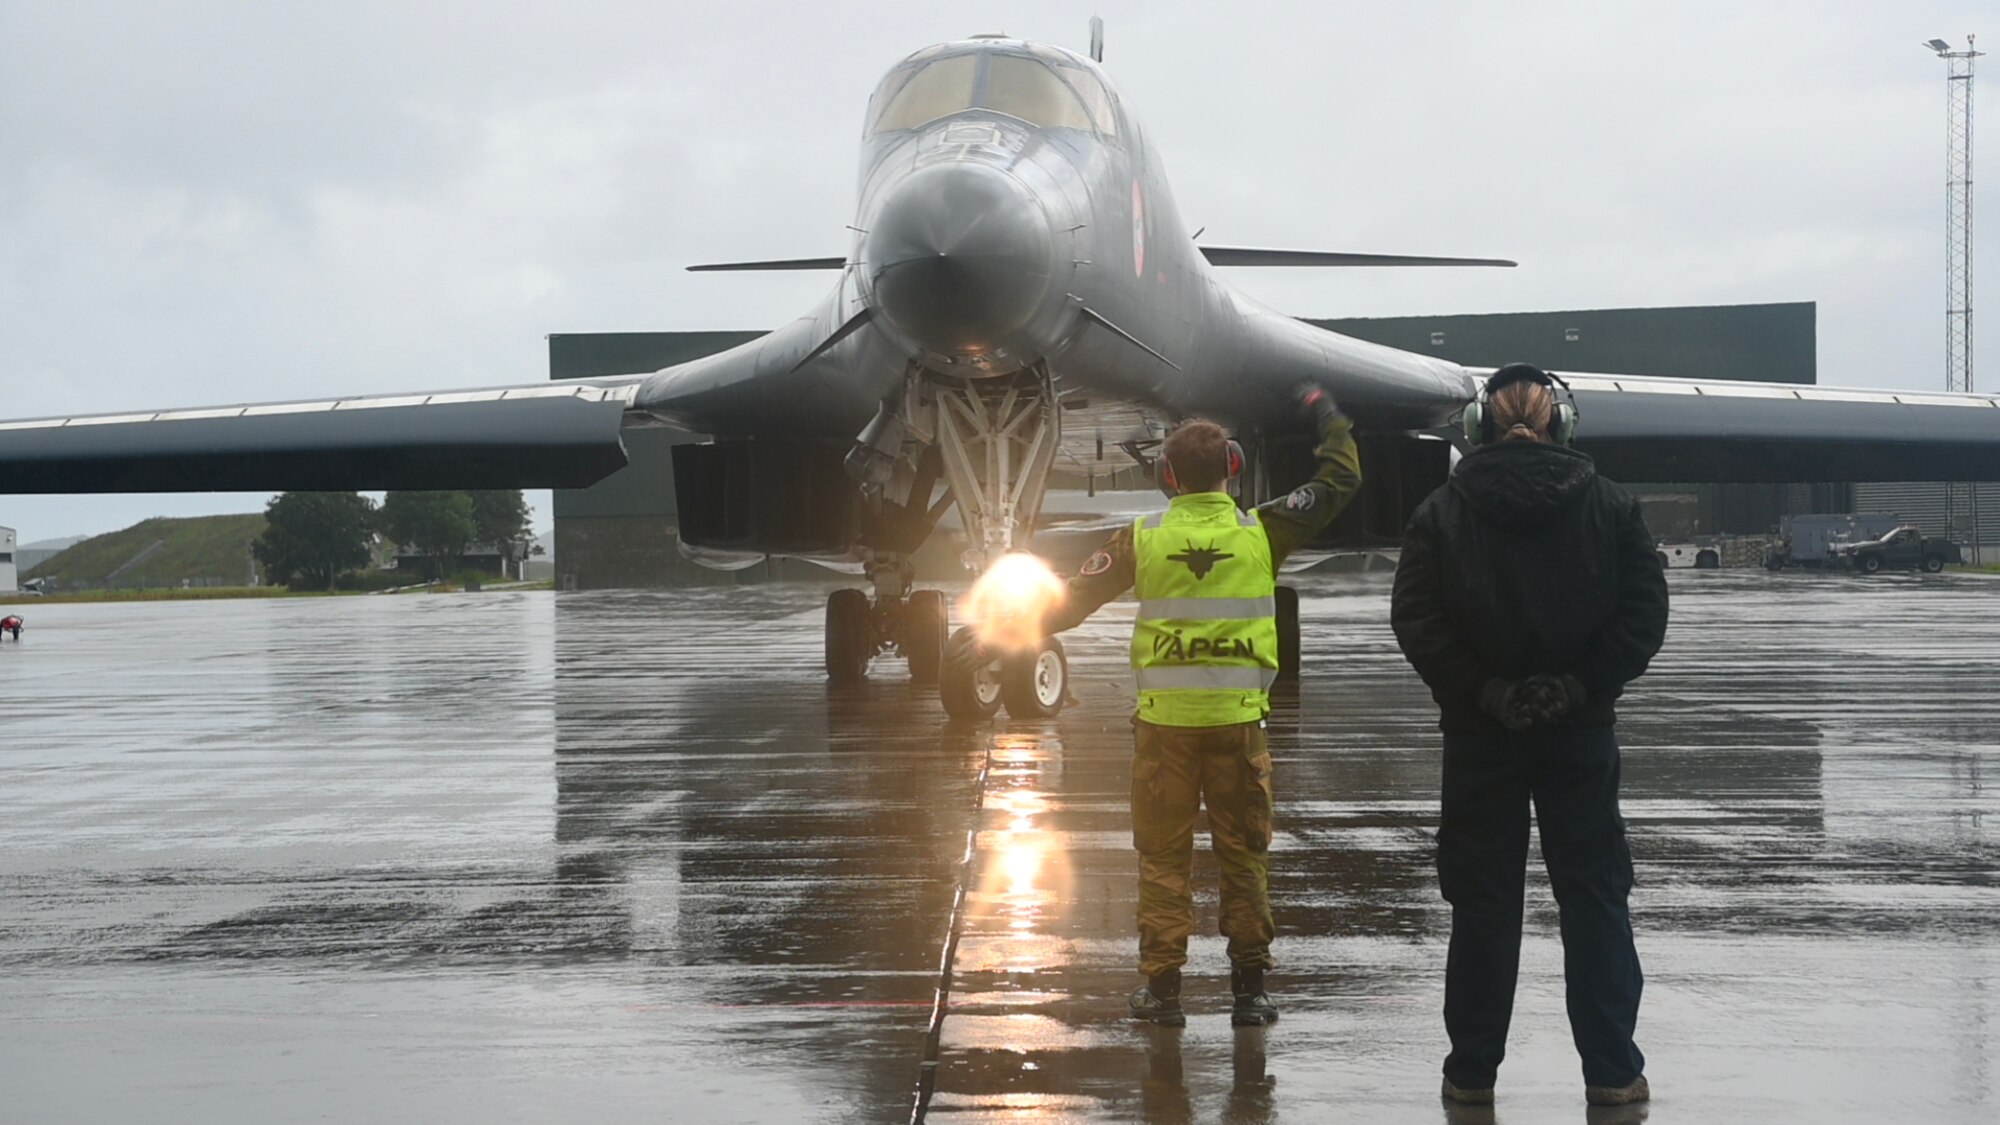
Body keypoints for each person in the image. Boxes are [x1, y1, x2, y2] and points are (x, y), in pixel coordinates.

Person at [959, 383, 1361, 1027]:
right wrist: (1325, 414)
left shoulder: (1140, 540)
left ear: (1166, 477)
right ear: (1232, 469)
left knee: (1164, 861)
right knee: (1244, 856)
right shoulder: (1263, 531)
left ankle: (1164, 993)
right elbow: (1340, 478)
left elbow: (1065, 602)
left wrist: (996, 636)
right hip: (1238, 728)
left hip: (1164, 733)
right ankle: (1251, 994)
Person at [1389, 363, 1668, 1108]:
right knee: (1596, 900)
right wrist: (1578, 687)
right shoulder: (1612, 507)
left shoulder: (1440, 513)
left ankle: (1472, 1072)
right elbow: (1644, 616)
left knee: (1483, 907)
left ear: (1478, 427)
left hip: (1481, 739)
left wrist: (1487, 691)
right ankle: (1612, 1072)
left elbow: (1417, 621)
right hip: (1580, 736)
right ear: (1562, 422)